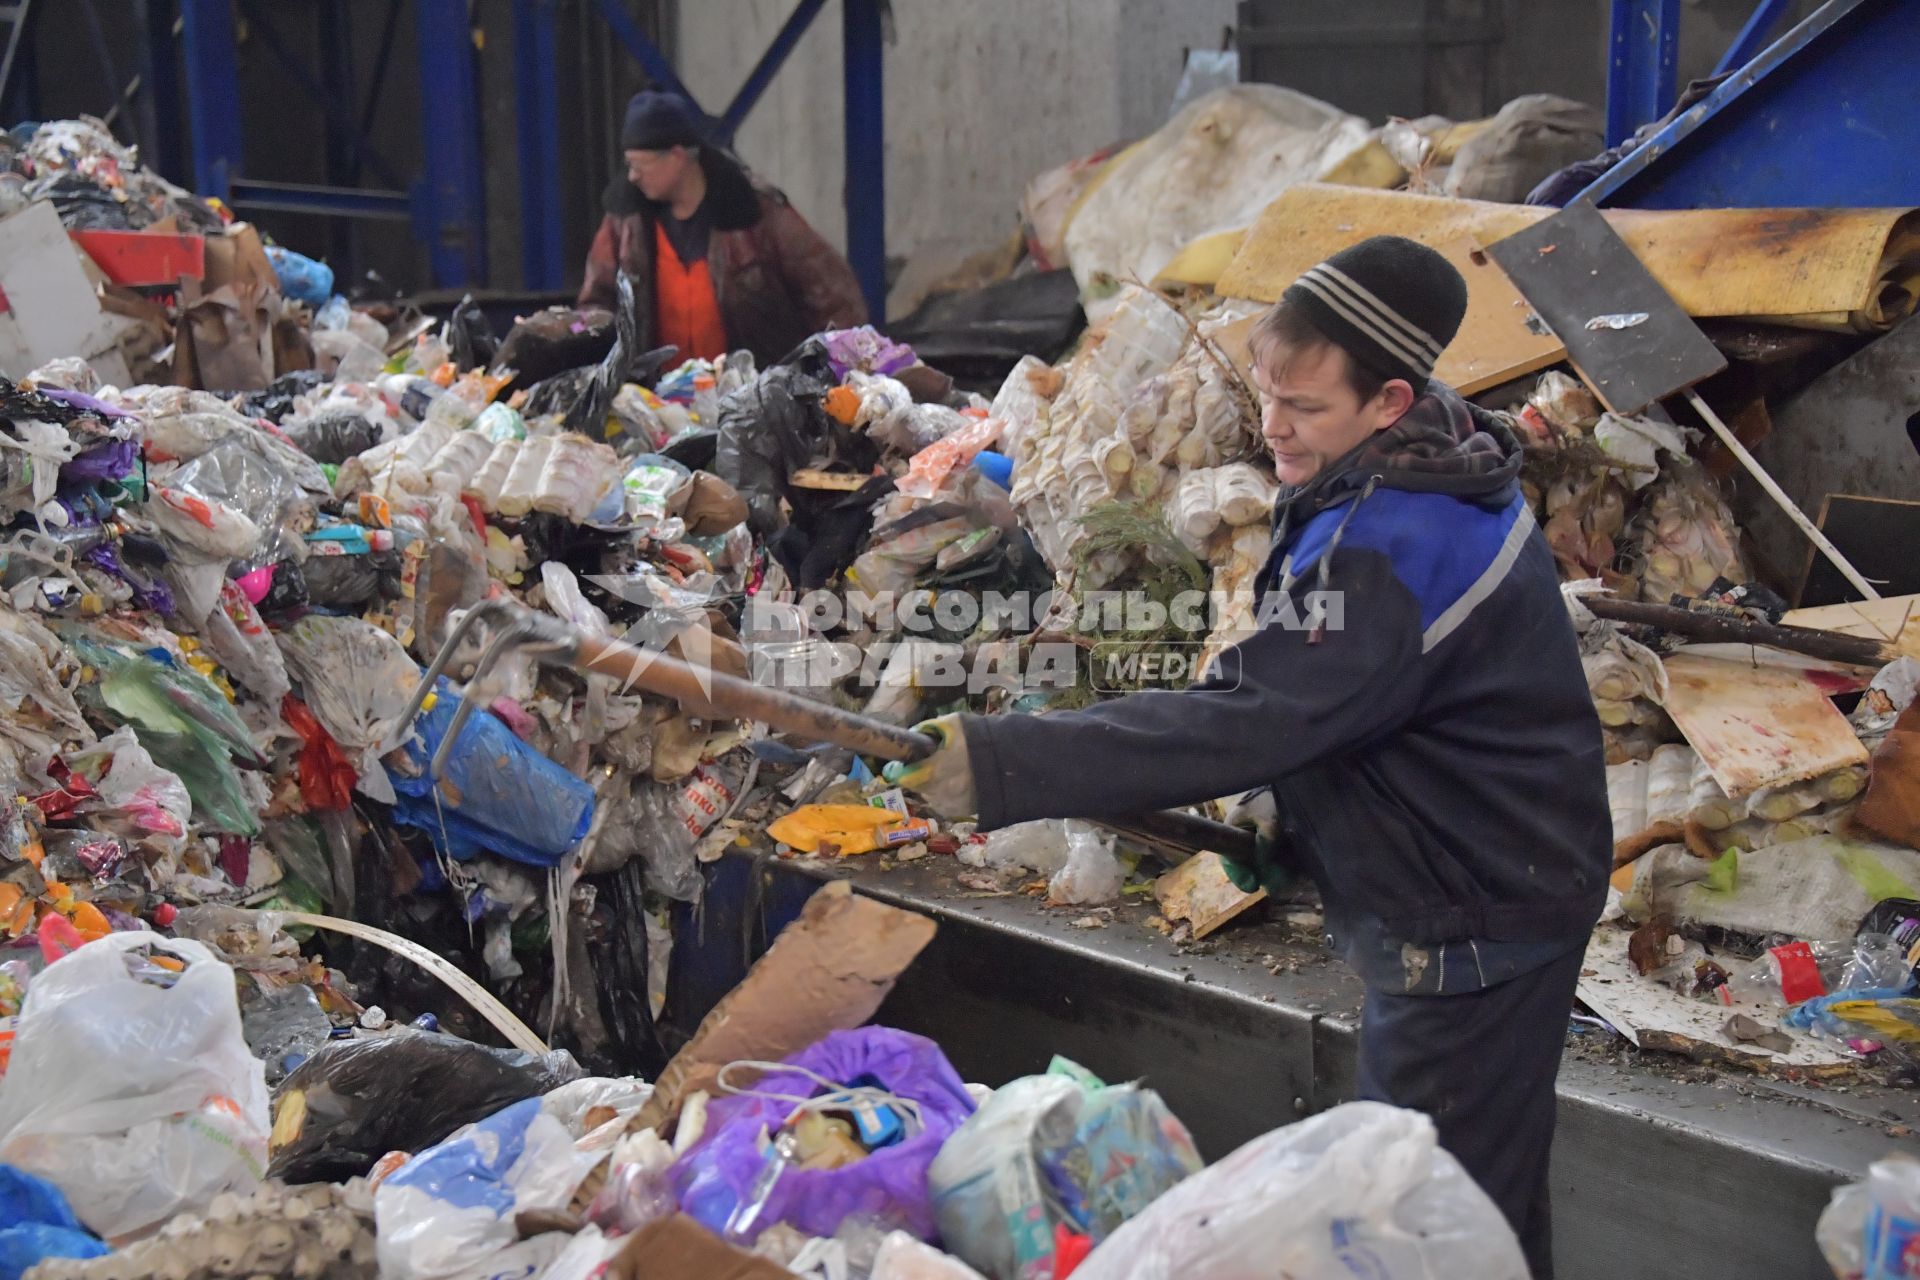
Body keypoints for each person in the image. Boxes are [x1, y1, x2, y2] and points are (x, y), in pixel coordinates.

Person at [895, 236, 1610, 1279]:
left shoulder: (1395, 545)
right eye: (1268, 393)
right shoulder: (1419, 461)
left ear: (1390, 399)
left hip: (1475, 911)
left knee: (1420, 1209)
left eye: (1306, 408)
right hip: (1483, 869)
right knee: (1475, 1202)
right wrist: (1301, 817)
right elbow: (1355, 706)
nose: (1273, 426)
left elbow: (1246, 716)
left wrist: (1001, 762)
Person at [577, 91, 867, 365]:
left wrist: (838, 369)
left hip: (754, 395)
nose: (633, 176)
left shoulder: (756, 213)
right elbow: (596, 304)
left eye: (641, 164)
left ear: (677, 156)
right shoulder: (625, 222)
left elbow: (833, 296)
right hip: (657, 402)